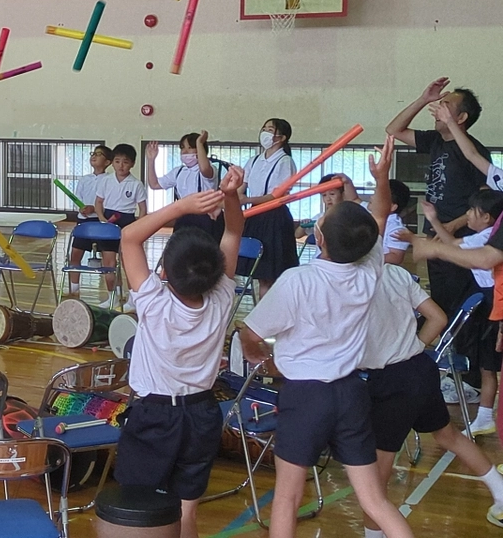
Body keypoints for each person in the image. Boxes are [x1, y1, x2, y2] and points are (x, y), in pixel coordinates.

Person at [239, 137, 414, 538]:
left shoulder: (297, 280)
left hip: (305, 395)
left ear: (319, 240)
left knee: (287, 497)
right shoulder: (371, 268)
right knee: (374, 500)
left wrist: (260, 358)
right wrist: (382, 179)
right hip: (351, 392)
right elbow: (381, 214)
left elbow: (250, 333)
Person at [115, 165, 245, 538]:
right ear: (216, 271)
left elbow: (128, 237)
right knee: (186, 511)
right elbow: (234, 229)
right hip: (202, 414)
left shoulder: (155, 302)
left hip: (155, 415)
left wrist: (181, 207)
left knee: (138, 509)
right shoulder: (221, 295)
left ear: (165, 273)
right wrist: (231, 195)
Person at [359, 255, 503, 534]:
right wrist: (411, 347)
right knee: (448, 436)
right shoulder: (395, 273)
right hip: (420, 368)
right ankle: (499, 490)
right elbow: (438, 318)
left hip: (390, 382)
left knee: (376, 481)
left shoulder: (348, 284)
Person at [386, 77, 488, 318]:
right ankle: (446, 349)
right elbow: (393, 130)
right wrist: (424, 99)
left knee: (461, 298)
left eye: (446, 104)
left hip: (462, 239)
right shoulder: (434, 141)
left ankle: (464, 350)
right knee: (439, 294)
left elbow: (486, 202)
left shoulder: (474, 151)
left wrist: (452, 226)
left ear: (461, 118)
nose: (438, 107)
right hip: (434, 233)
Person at [421, 190, 503, 435]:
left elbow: (453, 245)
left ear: (487, 217)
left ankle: (486, 415)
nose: (467, 215)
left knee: (489, 366)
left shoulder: (488, 238)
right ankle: (486, 416)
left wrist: (430, 242)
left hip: (493, 304)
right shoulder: (486, 235)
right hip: (487, 301)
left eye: (471, 211)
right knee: (485, 365)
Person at [238, 118, 298, 296]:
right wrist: (235, 197)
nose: (265, 132)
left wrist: (246, 200)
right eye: (264, 128)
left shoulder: (285, 162)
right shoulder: (254, 160)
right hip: (254, 216)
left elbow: (276, 196)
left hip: (274, 218)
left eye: (270, 129)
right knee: (259, 274)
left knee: (271, 273)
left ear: (281, 137)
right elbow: (242, 186)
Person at [92, 143, 147, 299]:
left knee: (128, 263)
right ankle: (113, 297)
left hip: (127, 221)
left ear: (132, 164)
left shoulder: (136, 184)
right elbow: (98, 202)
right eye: (117, 161)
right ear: (112, 162)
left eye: (125, 162)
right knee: (108, 263)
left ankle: (133, 299)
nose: (121, 165)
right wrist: (103, 219)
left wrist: (138, 227)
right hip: (108, 221)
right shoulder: (106, 180)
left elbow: (143, 209)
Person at [146, 132, 220, 241]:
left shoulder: (210, 169)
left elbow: (204, 169)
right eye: (182, 148)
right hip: (183, 218)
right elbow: (154, 184)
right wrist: (151, 161)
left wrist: (200, 143)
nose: (185, 151)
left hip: (204, 219)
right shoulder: (179, 171)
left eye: (190, 148)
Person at [67, 144, 112, 295]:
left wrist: (95, 209)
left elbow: (110, 201)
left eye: (99, 154)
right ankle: (74, 289)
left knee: (108, 260)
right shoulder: (85, 179)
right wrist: (81, 208)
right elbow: (77, 197)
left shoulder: (109, 180)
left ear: (107, 162)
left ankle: (114, 293)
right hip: (83, 222)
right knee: (75, 255)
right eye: (93, 153)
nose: (94, 156)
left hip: (100, 221)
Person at [296, 173, 362, 239]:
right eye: (324, 195)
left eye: (332, 194)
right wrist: (303, 225)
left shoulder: (350, 217)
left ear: (343, 194)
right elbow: (297, 235)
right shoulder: (319, 218)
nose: (328, 199)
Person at [383, 180, 412, 266]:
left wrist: (370, 260)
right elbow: (354, 199)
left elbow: (396, 257)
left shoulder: (396, 229)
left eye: (378, 197)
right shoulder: (370, 212)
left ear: (392, 207)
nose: (372, 197)